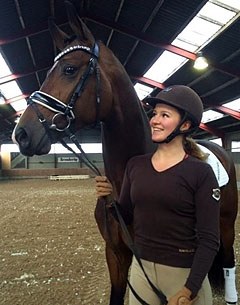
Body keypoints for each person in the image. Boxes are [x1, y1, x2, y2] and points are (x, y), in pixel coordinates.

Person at [95, 85, 220, 305]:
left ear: (185, 124)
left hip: (183, 272)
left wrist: (189, 289)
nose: (154, 120)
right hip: (141, 269)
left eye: (164, 115)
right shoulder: (135, 166)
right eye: (154, 114)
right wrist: (108, 199)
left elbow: (210, 240)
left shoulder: (201, 173)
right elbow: (126, 217)